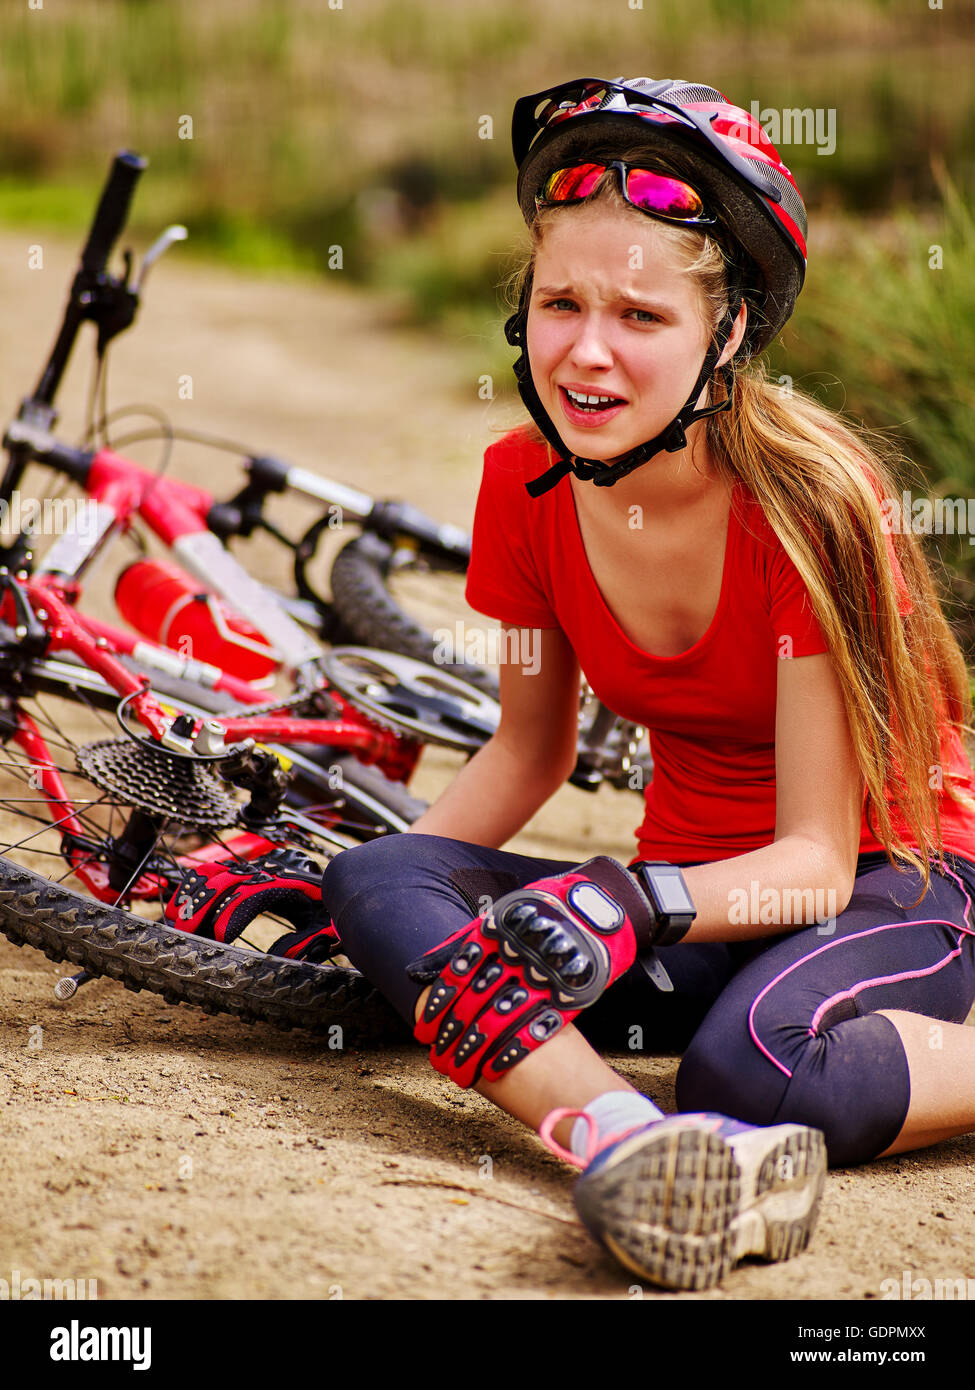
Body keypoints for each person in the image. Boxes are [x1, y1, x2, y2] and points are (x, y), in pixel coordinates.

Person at [315, 76, 975, 1293]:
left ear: (725, 334)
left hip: (902, 874)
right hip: (697, 898)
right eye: (560, 302)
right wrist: (382, 910)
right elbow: (527, 753)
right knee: (375, 873)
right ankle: (630, 1141)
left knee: (755, 1072)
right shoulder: (521, 488)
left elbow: (818, 864)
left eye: (640, 314)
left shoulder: (812, 508)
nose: (589, 348)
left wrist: (623, 903)